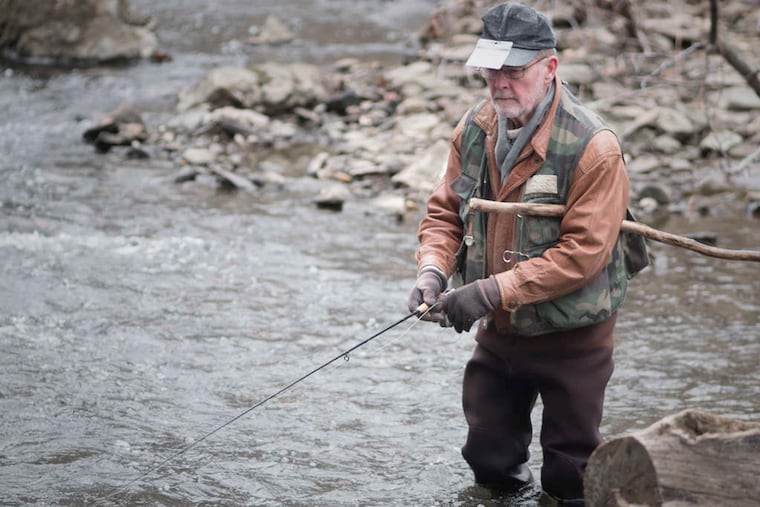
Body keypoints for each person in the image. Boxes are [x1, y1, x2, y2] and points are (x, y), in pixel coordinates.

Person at [407, 3, 646, 505]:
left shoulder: (594, 147)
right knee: (489, 459)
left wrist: (490, 291)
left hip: (575, 337)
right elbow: (445, 213)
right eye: (492, 70)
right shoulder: (474, 129)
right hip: (503, 330)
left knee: (571, 473)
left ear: (550, 68)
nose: (500, 84)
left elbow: (583, 253)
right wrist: (432, 272)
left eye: (514, 71)